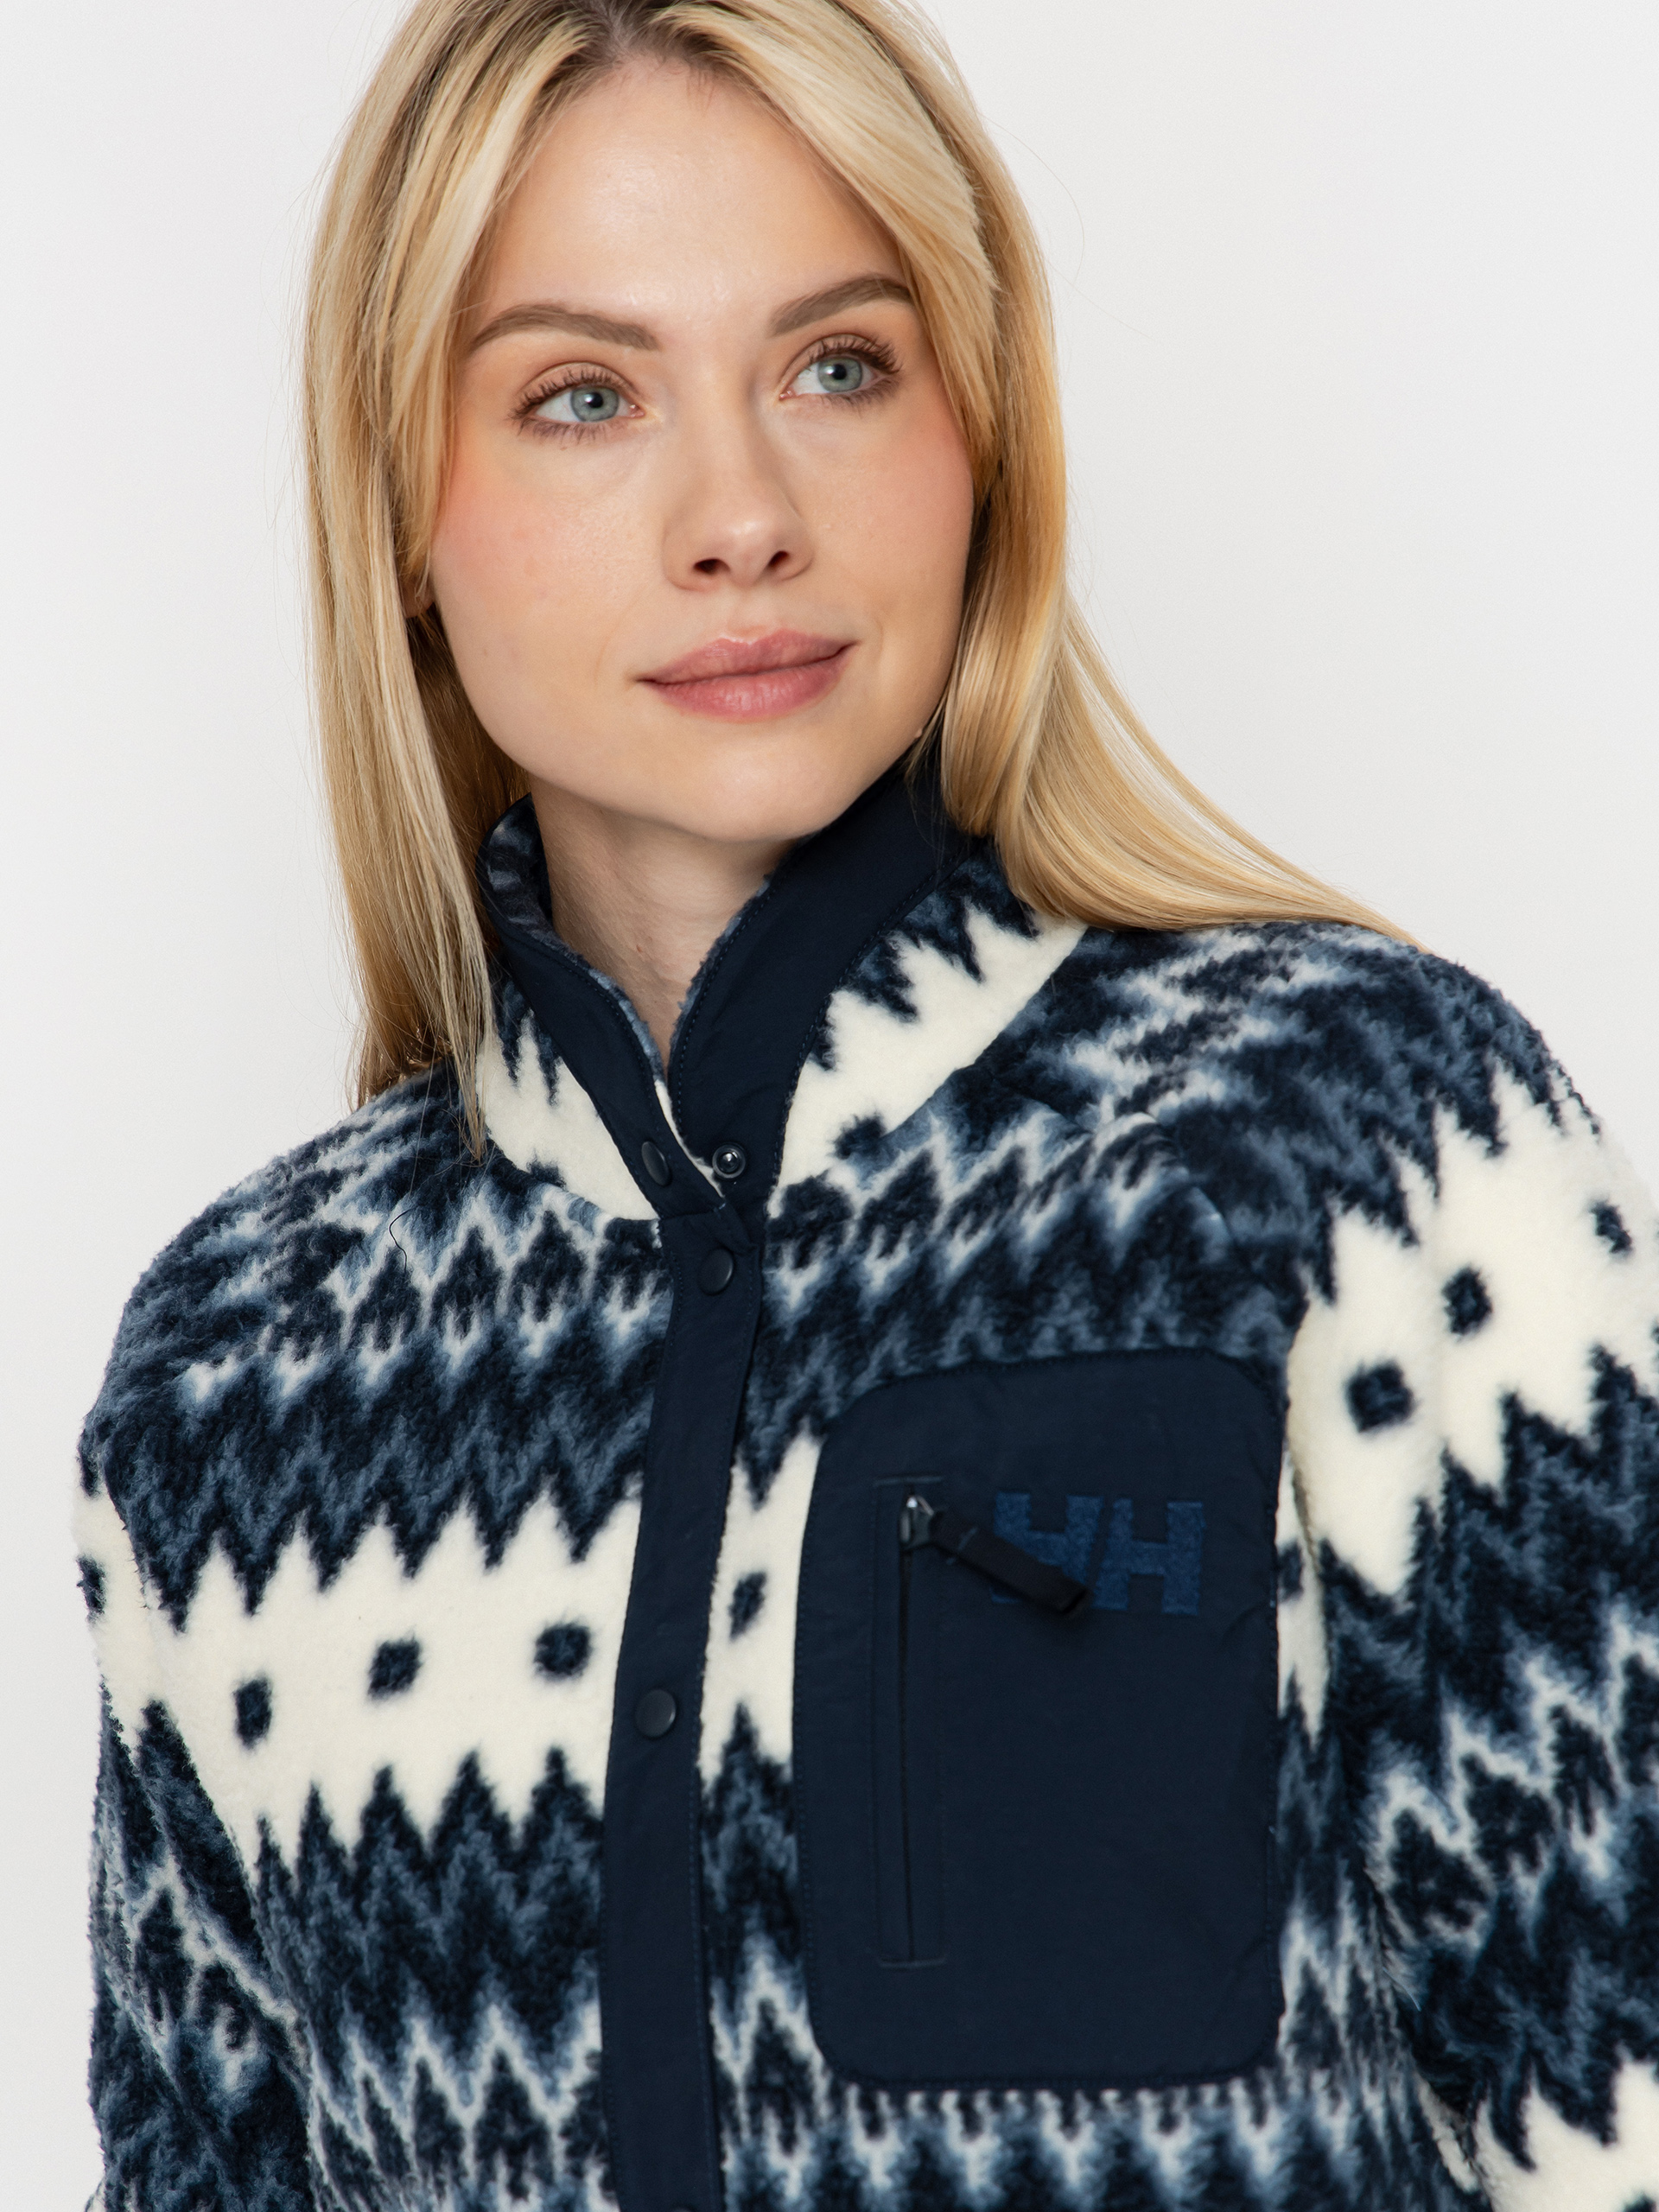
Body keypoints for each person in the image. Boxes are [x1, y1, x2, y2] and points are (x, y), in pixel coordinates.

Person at [73, 0, 1659, 2205]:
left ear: (977, 438)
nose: (742, 516)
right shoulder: (242, 1372)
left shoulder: (1354, 1155)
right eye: (583, 396)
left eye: (839, 364)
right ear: (402, 519)